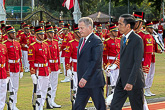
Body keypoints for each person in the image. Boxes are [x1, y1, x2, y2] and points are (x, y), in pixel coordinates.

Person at [110, 14, 145, 110]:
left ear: (128, 26)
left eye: (120, 24)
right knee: (114, 106)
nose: (118, 27)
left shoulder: (137, 40)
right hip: (122, 80)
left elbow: (137, 63)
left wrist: (130, 82)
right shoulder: (123, 39)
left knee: (137, 107)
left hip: (133, 81)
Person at [73, 17, 106, 110]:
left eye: (82, 28)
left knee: (100, 107)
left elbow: (95, 62)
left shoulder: (96, 41)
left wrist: (85, 78)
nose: (79, 30)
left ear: (90, 27)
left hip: (94, 81)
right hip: (82, 83)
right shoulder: (81, 40)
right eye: (79, 28)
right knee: (77, 107)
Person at [28, 26, 51, 110]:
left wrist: (48, 68)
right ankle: (37, 106)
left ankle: (41, 106)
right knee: (38, 90)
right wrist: (32, 73)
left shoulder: (46, 45)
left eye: (42, 34)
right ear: (36, 35)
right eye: (40, 35)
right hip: (38, 71)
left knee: (44, 90)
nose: (42, 36)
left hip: (45, 70)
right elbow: (31, 62)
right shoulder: (33, 46)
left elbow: (48, 59)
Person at [3, 25, 23, 110]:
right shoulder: (5, 44)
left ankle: (14, 104)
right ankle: (9, 104)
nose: (14, 34)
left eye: (14, 32)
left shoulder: (17, 43)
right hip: (9, 68)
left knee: (16, 87)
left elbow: (20, 57)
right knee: (9, 88)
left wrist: (21, 69)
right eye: (11, 33)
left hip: (16, 67)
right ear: (8, 34)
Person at [44, 25, 61, 108]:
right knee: (48, 85)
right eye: (50, 32)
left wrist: (59, 66)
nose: (52, 34)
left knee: (54, 84)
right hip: (49, 66)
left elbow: (58, 55)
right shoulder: (45, 43)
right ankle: (47, 100)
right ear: (46, 33)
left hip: (55, 66)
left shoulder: (55, 42)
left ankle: (52, 100)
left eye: (53, 32)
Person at [145, 21, 162, 96]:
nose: (152, 29)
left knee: (151, 74)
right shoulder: (145, 36)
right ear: (147, 28)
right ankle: (145, 89)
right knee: (147, 74)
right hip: (146, 58)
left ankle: (148, 89)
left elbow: (154, 49)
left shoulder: (153, 37)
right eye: (150, 28)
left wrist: (160, 50)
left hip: (152, 58)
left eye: (152, 28)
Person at [103, 24, 120, 94]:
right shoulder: (107, 41)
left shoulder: (119, 40)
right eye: (114, 31)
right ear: (111, 32)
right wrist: (106, 65)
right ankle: (109, 95)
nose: (116, 33)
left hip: (118, 63)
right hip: (110, 62)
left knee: (117, 81)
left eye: (117, 31)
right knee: (110, 82)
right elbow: (104, 55)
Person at [0, 42, 9, 110]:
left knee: (3, 93)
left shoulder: (3, 46)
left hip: (3, 72)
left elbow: (6, 60)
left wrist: (7, 73)